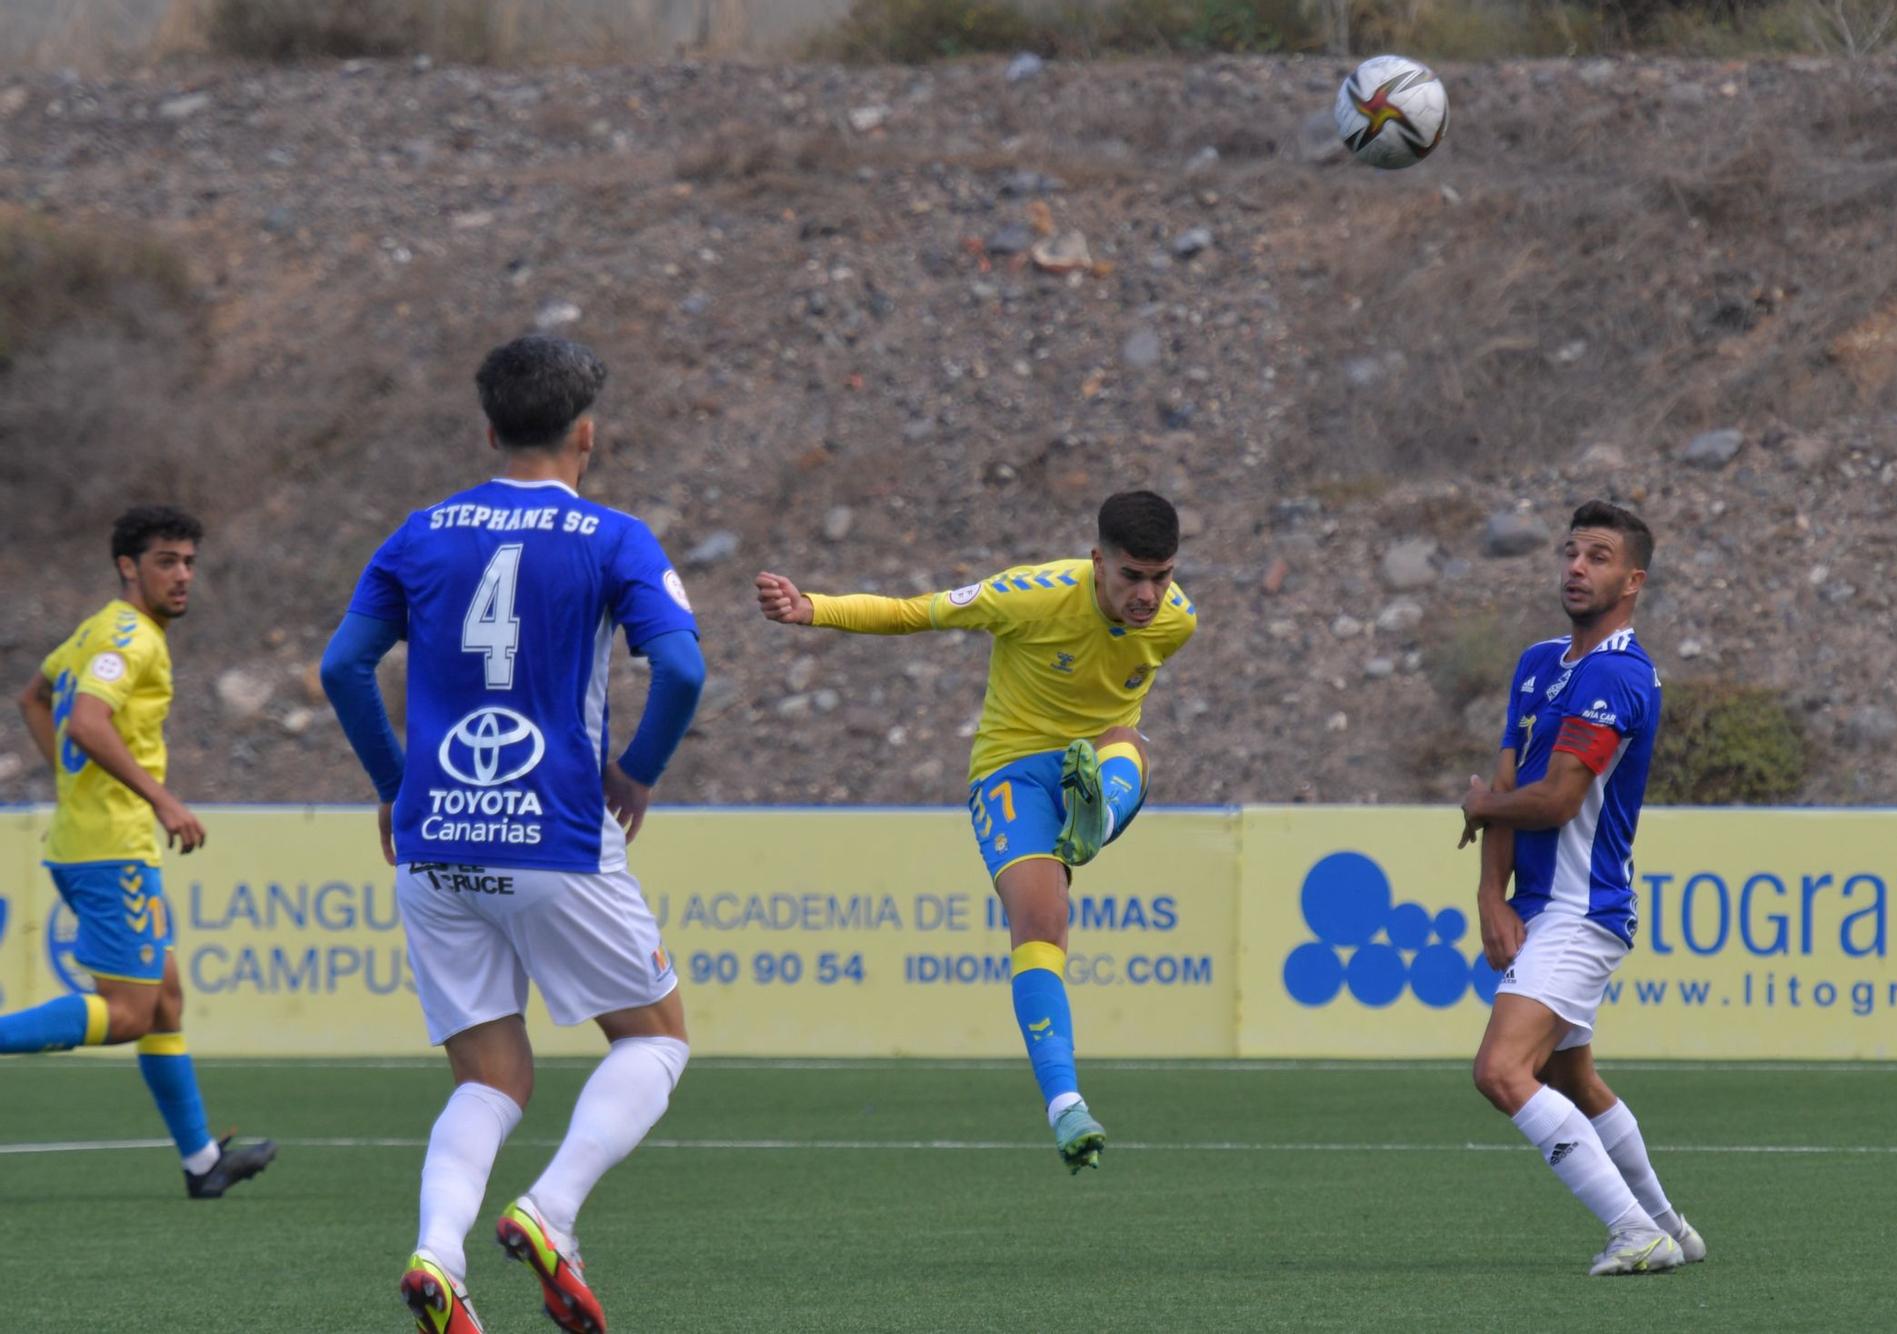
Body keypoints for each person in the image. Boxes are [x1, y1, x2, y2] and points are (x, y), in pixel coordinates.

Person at [320, 334, 706, 1334]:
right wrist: (641, 771)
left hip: (435, 839)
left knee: (491, 1077)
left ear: (489, 429)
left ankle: (437, 1255)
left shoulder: (419, 532)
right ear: (587, 431)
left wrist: (396, 782)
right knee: (655, 1038)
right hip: (555, 831)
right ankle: (549, 1209)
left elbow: (342, 668)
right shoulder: (613, 536)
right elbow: (683, 671)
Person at [755, 490, 1195, 1172]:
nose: (1148, 594)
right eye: (1132, 576)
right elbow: (913, 613)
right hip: (1013, 773)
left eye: (1161, 576)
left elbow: (1122, 677)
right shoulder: (1029, 595)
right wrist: (813, 607)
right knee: (1043, 924)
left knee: (1126, 738)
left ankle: (1095, 817)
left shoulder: (1177, 622)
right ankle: (1066, 1106)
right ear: (1096, 560)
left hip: (1098, 759)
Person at [1458, 500, 1705, 1277]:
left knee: (1501, 1072)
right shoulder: (1538, 664)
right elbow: (1508, 782)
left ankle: (1636, 1233)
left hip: (1581, 910)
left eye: (1597, 556)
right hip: (1535, 909)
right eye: (1570, 552)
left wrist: (1480, 806)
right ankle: (1672, 1227)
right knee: (1571, 1076)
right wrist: (1490, 897)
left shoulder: (1619, 675)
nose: (1575, 567)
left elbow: (1555, 800)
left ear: (1632, 581)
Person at [6, 505, 278, 1198]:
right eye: (166, 561)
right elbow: (89, 720)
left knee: (165, 1000)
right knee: (128, 1013)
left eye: (189, 561)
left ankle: (202, 1165)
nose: (182, 575)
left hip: (92, 840)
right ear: (129, 566)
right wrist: (162, 799)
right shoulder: (132, 637)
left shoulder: (101, 629)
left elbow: (35, 697)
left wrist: (73, 788)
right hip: (111, 849)